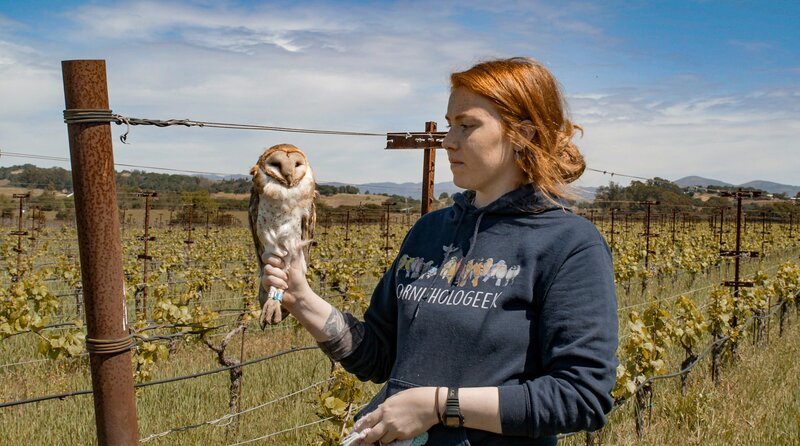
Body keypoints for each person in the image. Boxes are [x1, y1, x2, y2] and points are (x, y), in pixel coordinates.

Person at [261, 57, 618, 445]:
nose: (448, 141)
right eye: (450, 125)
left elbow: (582, 397)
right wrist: (304, 300)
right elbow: (379, 356)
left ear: (522, 135)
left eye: (467, 126)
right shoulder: (429, 232)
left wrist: (438, 405)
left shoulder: (568, 243)